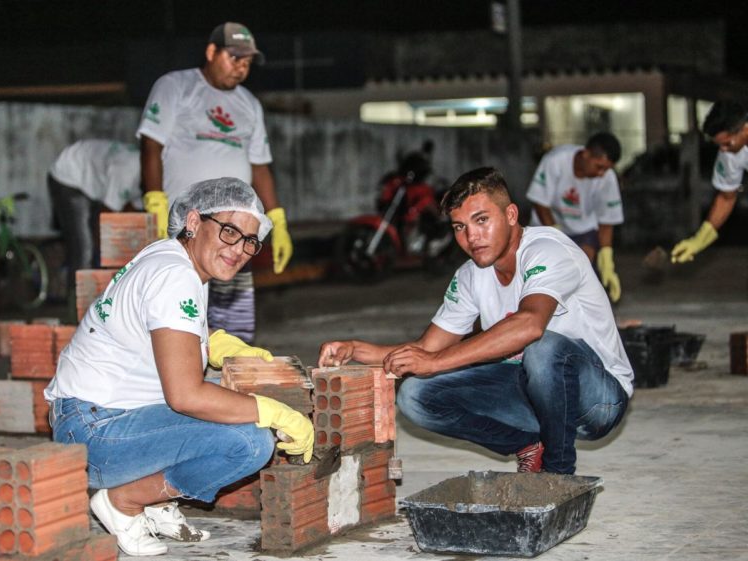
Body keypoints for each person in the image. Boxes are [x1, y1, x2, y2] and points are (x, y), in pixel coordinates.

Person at [44, 178, 313, 557]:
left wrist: (218, 345)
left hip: (94, 419)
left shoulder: (174, 258)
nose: (238, 250)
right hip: (94, 436)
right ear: (193, 221)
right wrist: (277, 413)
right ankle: (126, 501)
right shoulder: (176, 276)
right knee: (250, 442)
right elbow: (186, 395)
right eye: (229, 231)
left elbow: (166, 332)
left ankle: (153, 498)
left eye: (249, 241)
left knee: (231, 392)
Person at [319, 167, 632, 475]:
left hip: (598, 399)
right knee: (415, 395)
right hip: (534, 393)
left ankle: (556, 475)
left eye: (482, 220)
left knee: (543, 346)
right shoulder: (470, 276)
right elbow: (426, 348)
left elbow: (530, 324)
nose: (471, 237)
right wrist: (356, 349)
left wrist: (435, 362)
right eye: (459, 227)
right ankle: (528, 446)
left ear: (510, 215)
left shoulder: (548, 250)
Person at [137, 21, 292, 344]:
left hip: (236, 230)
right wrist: (154, 201)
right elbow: (151, 146)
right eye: (234, 58)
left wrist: (277, 220)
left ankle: (230, 379)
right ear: (211, 52)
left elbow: (260, 166)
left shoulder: (249, 104)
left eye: (247, 63)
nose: (241, 68)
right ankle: (185, 380)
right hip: (191, 226)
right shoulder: (175, 86)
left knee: (234, 327)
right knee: (183, 315)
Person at [47, 139, 142, 316]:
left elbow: (130, 216)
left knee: (109, 247)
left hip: (93, 178)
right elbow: (106, 219)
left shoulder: (150, 181)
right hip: (68, 174)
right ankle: (76, 310)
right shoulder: (126, 171)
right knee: (84, 247)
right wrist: (107, 260)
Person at [525, 132, 624, 303]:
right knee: (547, 272)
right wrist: (558, 238)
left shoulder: (607, 178)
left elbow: (607, 220)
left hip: (583, 229)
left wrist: (607, 258)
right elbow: (540, 202)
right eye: (599, 166)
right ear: (586, 154)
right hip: (548, 226)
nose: (601, 173)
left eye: (606, 169)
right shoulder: (555, 160)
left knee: (584, 266)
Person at [671, 100, 747, 263]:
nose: (723, 150)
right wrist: (700, 240)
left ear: (745, 129)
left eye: (727, 143)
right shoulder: (730, 154)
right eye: (720, 145)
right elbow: (727, 197)